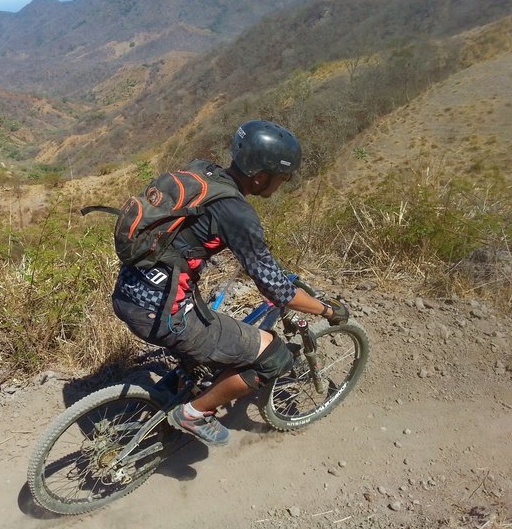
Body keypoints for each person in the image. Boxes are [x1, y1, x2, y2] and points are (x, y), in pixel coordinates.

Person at [111, 120, 349, 447]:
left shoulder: (202, 173)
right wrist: (326, 309)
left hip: (129, 292)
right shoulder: (237, 212)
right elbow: (277, 290)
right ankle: (193, 413)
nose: (282, 184)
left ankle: (183, 385)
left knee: (210, 327)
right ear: (260, 176)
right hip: (163, 313)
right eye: (281, 177)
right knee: (274, 357)